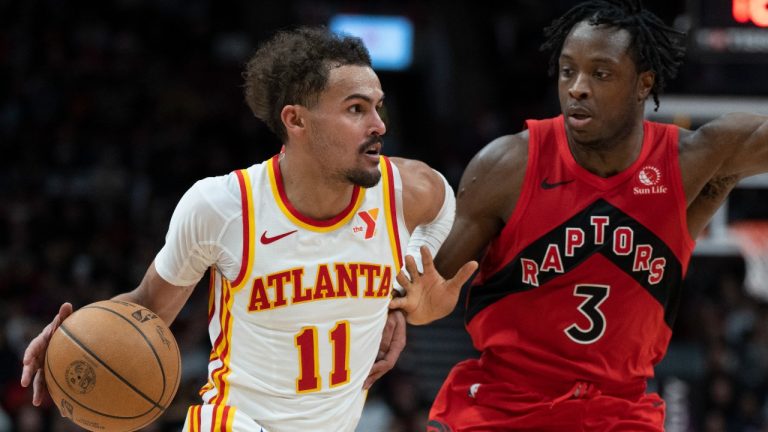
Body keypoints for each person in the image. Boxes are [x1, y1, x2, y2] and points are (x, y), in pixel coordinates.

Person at [20, 26, 471, 432]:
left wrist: (402, 292)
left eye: (377, 107)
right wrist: (72, 337)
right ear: (295, 120)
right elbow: (148, 307)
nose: (379, 126)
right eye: (356, 109)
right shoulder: (223, 205)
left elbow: (445, 202)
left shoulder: (406, 190)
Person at [391, 0, 768, 430]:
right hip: (505, 406)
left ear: (643, 84)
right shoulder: (508, 165)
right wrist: (419, 310)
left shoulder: (690, 161)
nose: (577, 88)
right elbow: (433, 291)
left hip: (620, 410)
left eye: (600, 74)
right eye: (568, 71)